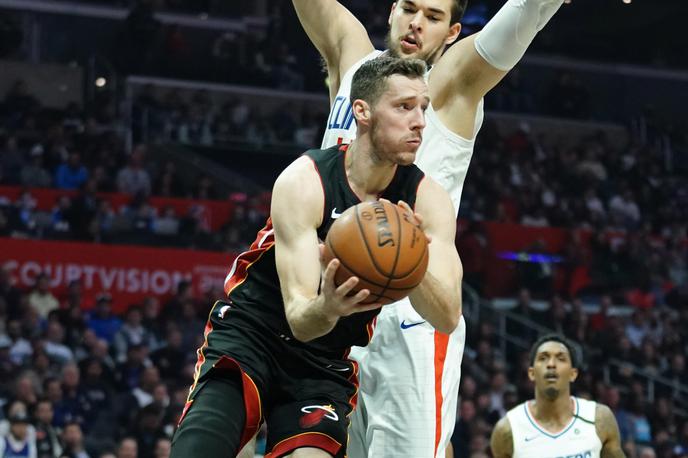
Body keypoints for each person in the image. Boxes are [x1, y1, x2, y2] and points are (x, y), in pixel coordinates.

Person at [292, 0, 567, 456]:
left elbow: (519, 16)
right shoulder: (354, 61)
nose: (417, 23)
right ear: (391, 11)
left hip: (410, 314)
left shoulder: (451, 81)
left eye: (434, 17)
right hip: (334, 310)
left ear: (453, 31)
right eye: (409, 8)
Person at [170, 56, 462, 458]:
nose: (420, 122)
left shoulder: (427, 201)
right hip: (252, 335)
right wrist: (329, 305)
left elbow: (447, 316)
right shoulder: (304, 181)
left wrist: (416, 259)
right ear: (362, 111)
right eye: (404, 106)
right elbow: (302, 320)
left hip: (322, 365)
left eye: (423, 108)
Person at [490, 334, 626, 458]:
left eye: (561, 359)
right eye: (543, 358)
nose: (551, 364)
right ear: (531, 373)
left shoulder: (598, 418)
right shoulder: (508, 429)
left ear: (573, 374)